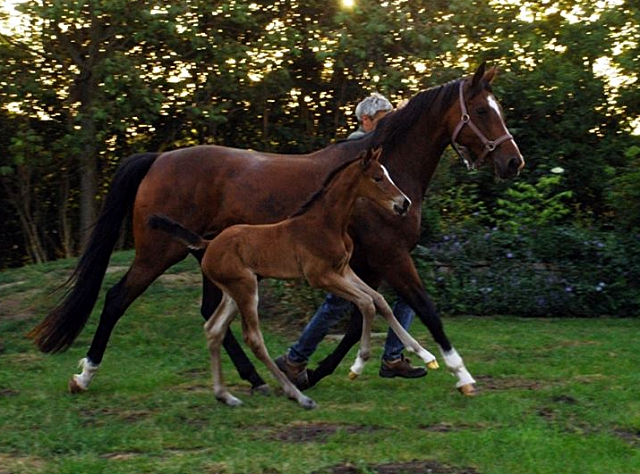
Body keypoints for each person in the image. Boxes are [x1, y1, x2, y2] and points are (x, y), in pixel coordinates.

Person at [275, 93, 427, 387]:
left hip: (373, 243)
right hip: (353, 242)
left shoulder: (378, 154)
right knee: (339, 301)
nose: (389, 127)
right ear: (366, 121)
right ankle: (295, 359)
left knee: (404, 294)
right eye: (383, 120)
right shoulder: (354, 154)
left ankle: (392, 357)